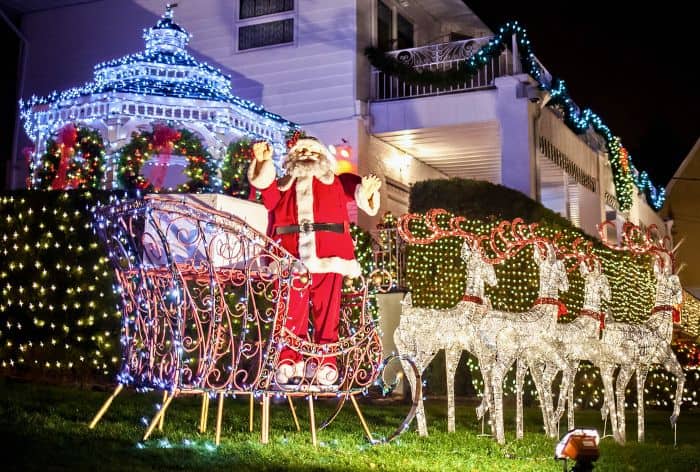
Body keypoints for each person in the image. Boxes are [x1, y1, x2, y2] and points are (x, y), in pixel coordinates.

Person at [248, 137, 381, 385]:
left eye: (311, 150)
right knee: (291, 311)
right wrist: (262, 163)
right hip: (290, 257)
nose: (307, 153)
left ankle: (324, 363)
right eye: (301, 150)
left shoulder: (337, 182)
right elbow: (267, 196)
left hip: (329, 255)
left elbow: (358, 190)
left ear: (322, 156)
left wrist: (368, 192)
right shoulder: (283, 186)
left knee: (327, 312)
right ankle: (289, 360)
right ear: (292, 158)